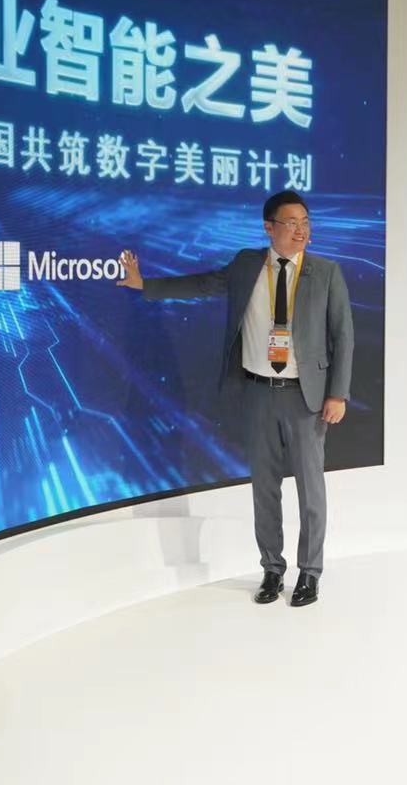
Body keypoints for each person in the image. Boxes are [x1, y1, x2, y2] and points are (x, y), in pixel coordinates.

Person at [118, 189, 353, 608]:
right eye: (291, 223)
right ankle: (272, 569)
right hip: (259, 393)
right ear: (269, 228)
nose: (301, 231)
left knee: (311, 490)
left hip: (306, 398)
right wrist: (145, 284)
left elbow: (344, 337)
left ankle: (310, 572)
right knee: (264, 488)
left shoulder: (326, 272)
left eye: (305, 223)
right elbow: (203, 284)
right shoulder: (247, 265)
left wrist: (338, 393)